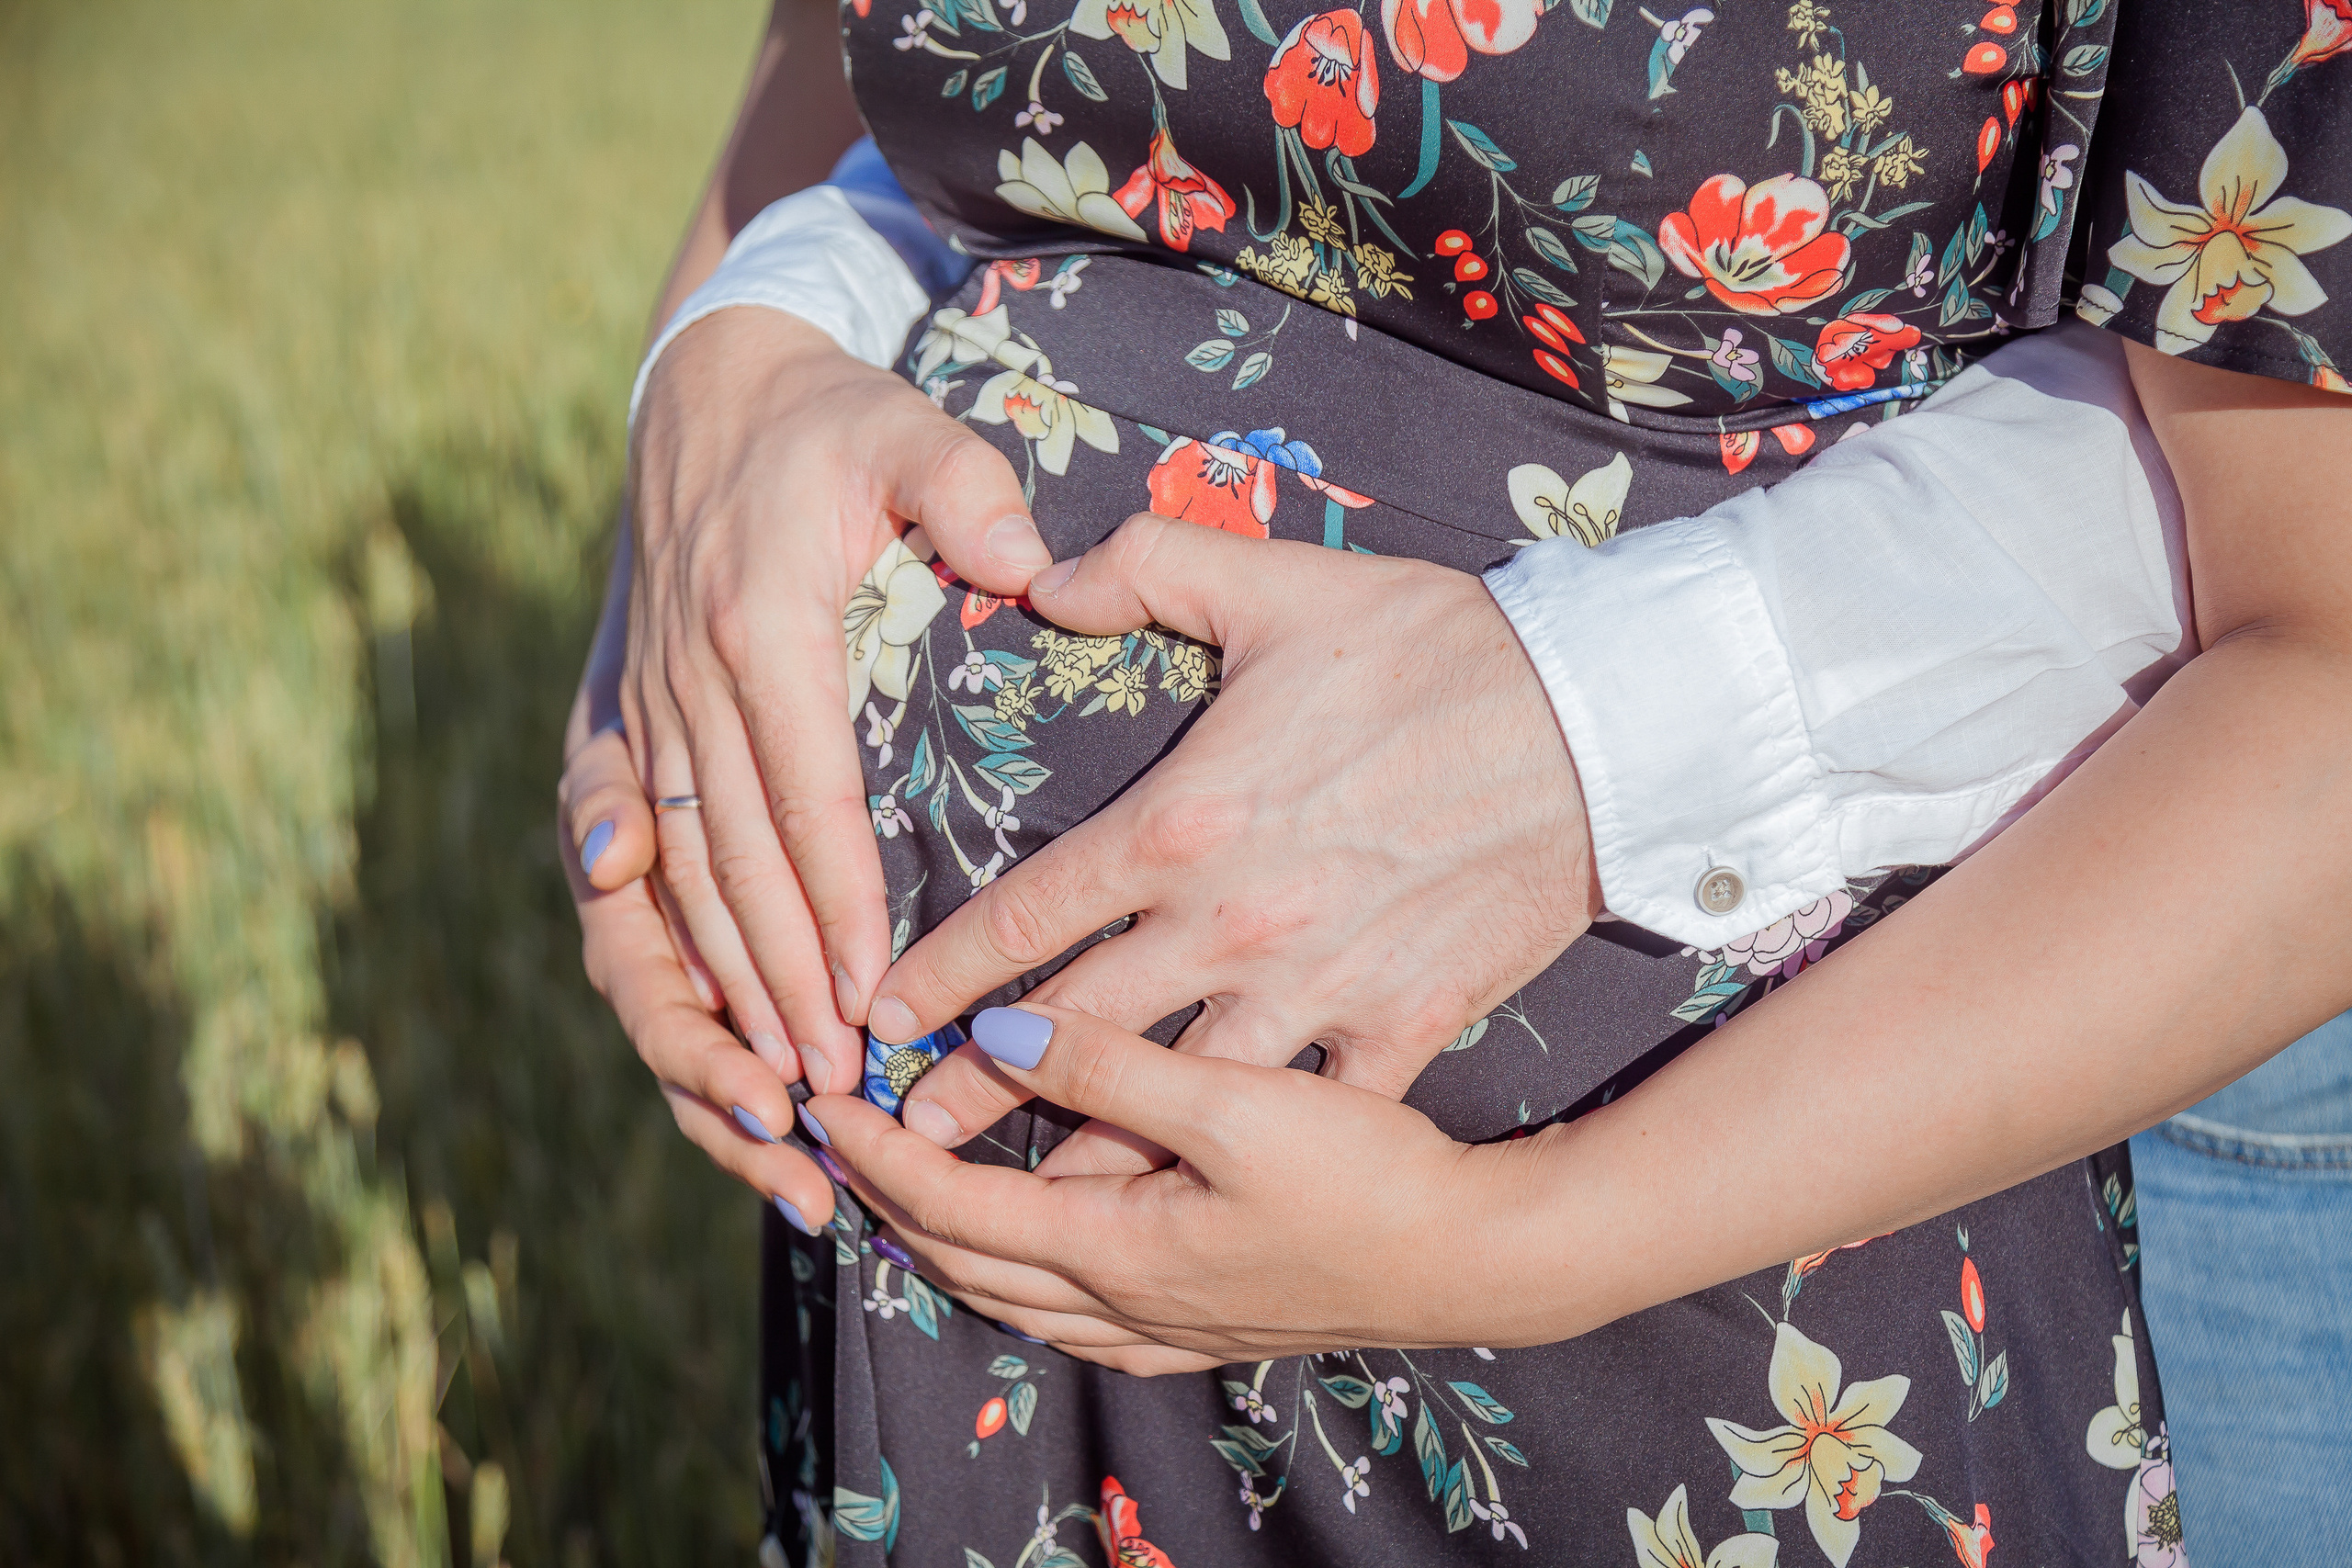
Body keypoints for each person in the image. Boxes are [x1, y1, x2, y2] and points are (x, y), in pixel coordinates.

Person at [557, 0, 2352, 1561]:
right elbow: (851, 70)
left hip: (1710, 1252)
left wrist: (1518, 1237)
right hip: (959, 1319)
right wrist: (711, 454)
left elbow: (2317, 666)